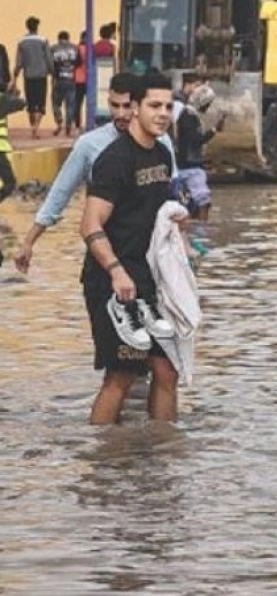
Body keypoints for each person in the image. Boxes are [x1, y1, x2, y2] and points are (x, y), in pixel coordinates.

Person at [79, 72, 180, 424]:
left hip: (146, 277)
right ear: (135, 109)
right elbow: (90, 224)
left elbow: (155, 214)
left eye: (168, 106)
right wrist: (116, 271)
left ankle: (163, 456)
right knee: (122, 374)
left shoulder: (164, 155)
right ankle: (101, 460)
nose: (163, 113)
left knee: (167, 369)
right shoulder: (114, 160)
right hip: (110, 280)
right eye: (154, 105)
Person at [12, 74, 177, 274]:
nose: (121, 114)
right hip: (109, 260)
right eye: (115, 106)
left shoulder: (161, 144)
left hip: (151, 261)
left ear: (137, 106)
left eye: (126, 106)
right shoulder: (91, 145)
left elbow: (170, 200)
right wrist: (29, 241)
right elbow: (60, 193)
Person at [174, 82, 220, 221]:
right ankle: (201, 230)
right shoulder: (188, 115)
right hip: (190, 166)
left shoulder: (190, 115)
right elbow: (195, 140)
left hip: (187, 165)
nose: (207, 107)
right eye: (207, 104)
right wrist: (214, 130)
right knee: (203, 202)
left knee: (192, 203)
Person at [14, 17, 50, 140]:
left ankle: (33, 126)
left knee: (31, 102)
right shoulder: (43, 40)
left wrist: (15, 75)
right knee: (40, 103)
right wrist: (52, 72)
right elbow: (49, 59)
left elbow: (19, 62)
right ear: (37, 27)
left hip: (28, 76)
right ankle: (35, 127)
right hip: (41, 75)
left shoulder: (22, 42)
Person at [49, 30, 79, 137]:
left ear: (59, 38)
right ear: (68, 38)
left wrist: (53, 75)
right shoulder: (75, 48)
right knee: (70, 105)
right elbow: (78, 62)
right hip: (71, 79)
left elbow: (50, 64)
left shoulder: (53, 48)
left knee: (56, 103)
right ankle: (68, 128)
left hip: (58, 80)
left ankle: (59, 120)